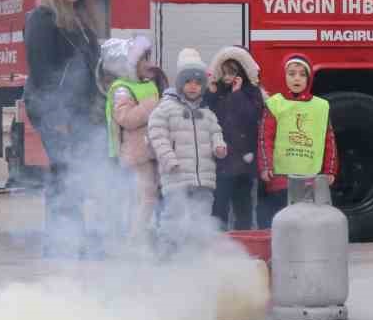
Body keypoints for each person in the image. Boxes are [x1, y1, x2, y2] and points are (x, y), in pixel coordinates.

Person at [22, 0, 104, 257]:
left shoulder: (80, 18)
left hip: (79, 108)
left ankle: (72, 237)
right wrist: (56, 115)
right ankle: (59, 241)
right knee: (64, 169)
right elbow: (41, 70)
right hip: (53, 108)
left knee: (75, 170)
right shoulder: (42, 18)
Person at [147, 48, 228, 250]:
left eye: (198, 82)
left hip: (203, 179)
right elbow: (156, 134)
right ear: (180, 84)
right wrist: (168, 159)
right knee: (174, 218)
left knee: (200, 220)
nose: (193, 87)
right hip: (177, 177)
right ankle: (166, 256)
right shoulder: (166, 109)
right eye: (188, 81)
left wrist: (219, 146)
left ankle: (194, 259)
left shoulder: (207, 113)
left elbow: (216, 132)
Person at [257, 53, 338, 228]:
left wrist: (330, 170)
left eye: (302, 74)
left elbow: (329, 140)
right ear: (284, 76)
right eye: (292, 73)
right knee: (281, 222)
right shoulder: (275, 104)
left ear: (308, 79)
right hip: (281, 179)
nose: (297, 78)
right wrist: (266, 166)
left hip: (311, 178)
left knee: (307, 223)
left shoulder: (320, 106)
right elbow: (266, 138)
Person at [101, 35, 166, 251]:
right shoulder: (122, 89)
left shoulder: (146, 85)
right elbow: (126, 119)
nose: (149, 64)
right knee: (146, 197)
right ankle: (134, 240)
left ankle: (140, 237)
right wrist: (150, 106)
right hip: (137, 153)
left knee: (144, 197)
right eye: (143, 60)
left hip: (150, 149)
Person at [205, 46, 266, 231]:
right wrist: (211, 92)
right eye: (224, 72)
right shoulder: (217, 92)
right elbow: (211, 113)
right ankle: (218, 245)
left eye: (232, 72)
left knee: (244, 207)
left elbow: (250, 115)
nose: (227, 77)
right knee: (219, 206)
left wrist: (237, 93)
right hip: (222, 162)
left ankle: (244, 243)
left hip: (244, 164)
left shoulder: (251, 92)